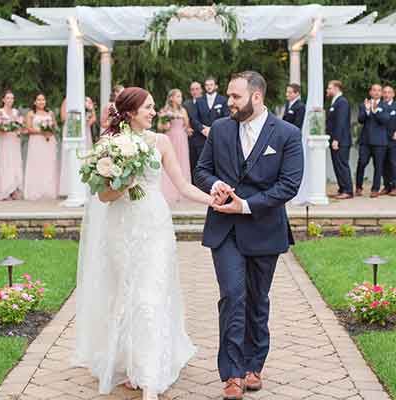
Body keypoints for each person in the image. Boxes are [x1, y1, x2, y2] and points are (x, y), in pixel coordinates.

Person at [74, 87, 214, 399]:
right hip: (121, 225)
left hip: (154, 224)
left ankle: (150, 369)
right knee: (125, 292)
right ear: (130, 112)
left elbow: (182, 184)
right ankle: (130, 360)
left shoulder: (161, 142)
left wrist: (213, 201)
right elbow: (104, 196)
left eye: (153, 107)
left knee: (151, 292)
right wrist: (125, 180)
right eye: (148, 108)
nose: (154, 112)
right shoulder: (108, 145)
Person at [195, 71, 303, 399]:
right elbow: (201, 170)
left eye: (235, 97)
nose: (229, 102)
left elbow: (289, 185)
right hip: (223, 230)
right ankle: (232, 373)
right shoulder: (221, 130)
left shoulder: (287, 134)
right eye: (229, 95)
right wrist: (214, 185)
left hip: (264, 228)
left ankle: (254, 364)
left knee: (257, 300)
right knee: (232, 296)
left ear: (256, 97)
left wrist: (245, 205)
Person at [189, 77, 230, 180]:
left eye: (211, 84)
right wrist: (203, 129)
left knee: (218, 163)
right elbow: (194, 119)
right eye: (207, 85)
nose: (209, 87)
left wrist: (214, 129)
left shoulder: (223, 100)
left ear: (216, 86)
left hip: (219, 138)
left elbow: (227, 117)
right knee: (201, 164)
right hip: (201, 138)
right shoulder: (198, 101)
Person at [158, 89, 192, 204]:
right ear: (171, 98)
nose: (180, 99)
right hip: (170, 138)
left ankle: (182, 192)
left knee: (182, 162)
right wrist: (165, 123)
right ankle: (169, 191)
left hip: (181, 139)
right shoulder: (164, 111)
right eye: (178, 96)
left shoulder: (183, 110)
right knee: (170, 162)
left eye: (181, 96)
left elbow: (187, 125)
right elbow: (160, 127)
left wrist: (188, 129)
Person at [356, 84, 389, 198]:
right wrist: (367, 110)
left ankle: (375, 189)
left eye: (379, 90)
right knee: (362, 163)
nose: (377, 92)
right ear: (370, 92)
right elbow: (360, 120)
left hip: (380, 142)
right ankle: (358, 187)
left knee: (378, 166)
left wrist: (375, 111)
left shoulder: (385, 105)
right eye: (374, 90)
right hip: (365, 141)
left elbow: (385, 120)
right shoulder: (364, 104)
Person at [59, 96, 96, 196]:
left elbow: (94, 117)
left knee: (86, 157)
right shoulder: (67, 100)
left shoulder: (88, 99)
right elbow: (63, 117)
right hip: (72, 129)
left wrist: (86, 122)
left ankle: (86, 187)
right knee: (71, 156)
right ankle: (69, 188)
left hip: (85, 131)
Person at [24, 93, 58, 200]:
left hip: (48, 142)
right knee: (36, 164)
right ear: (34, 102)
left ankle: (48, 191)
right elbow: (29, 128)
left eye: (43, 99)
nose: (41, 102)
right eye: (38, 100)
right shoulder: (30, 113)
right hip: (36, 142)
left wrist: (50, 131)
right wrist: (42, 131)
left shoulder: (50, 113)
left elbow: (55, 127)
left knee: (48, 164)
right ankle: (35, 191)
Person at [325, 80, 353, 199]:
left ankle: (348, 190)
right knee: (337, 165)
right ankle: (342, 188)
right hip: (335, 139)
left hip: (341, 140)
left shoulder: (342, 102)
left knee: (342, 165)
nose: (327, 90)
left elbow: (340, 123)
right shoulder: (335, 102)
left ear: (336, 88)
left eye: (329, 88)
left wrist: (336, 139)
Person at [0, 90, 24, 200]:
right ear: (3, 99)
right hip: (5, 141)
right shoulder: (0, 112)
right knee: (5, 163)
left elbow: (20, 127)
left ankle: (14, 190)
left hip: (15, 141)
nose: (10, 100)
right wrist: (3, 130)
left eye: (12, 98)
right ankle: (5, 191)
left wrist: (19, 130)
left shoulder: (16, 112)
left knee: (15, 163)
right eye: (8, 98)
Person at [380, 85, 396, 196]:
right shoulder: (379, 106)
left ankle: (395, 187)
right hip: (380, 140)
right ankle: (387, 186)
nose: (386, 94)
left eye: (389, 92)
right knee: (383, 163)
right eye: (384, 92)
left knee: (393, 163)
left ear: (393, 94)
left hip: (393, 139)